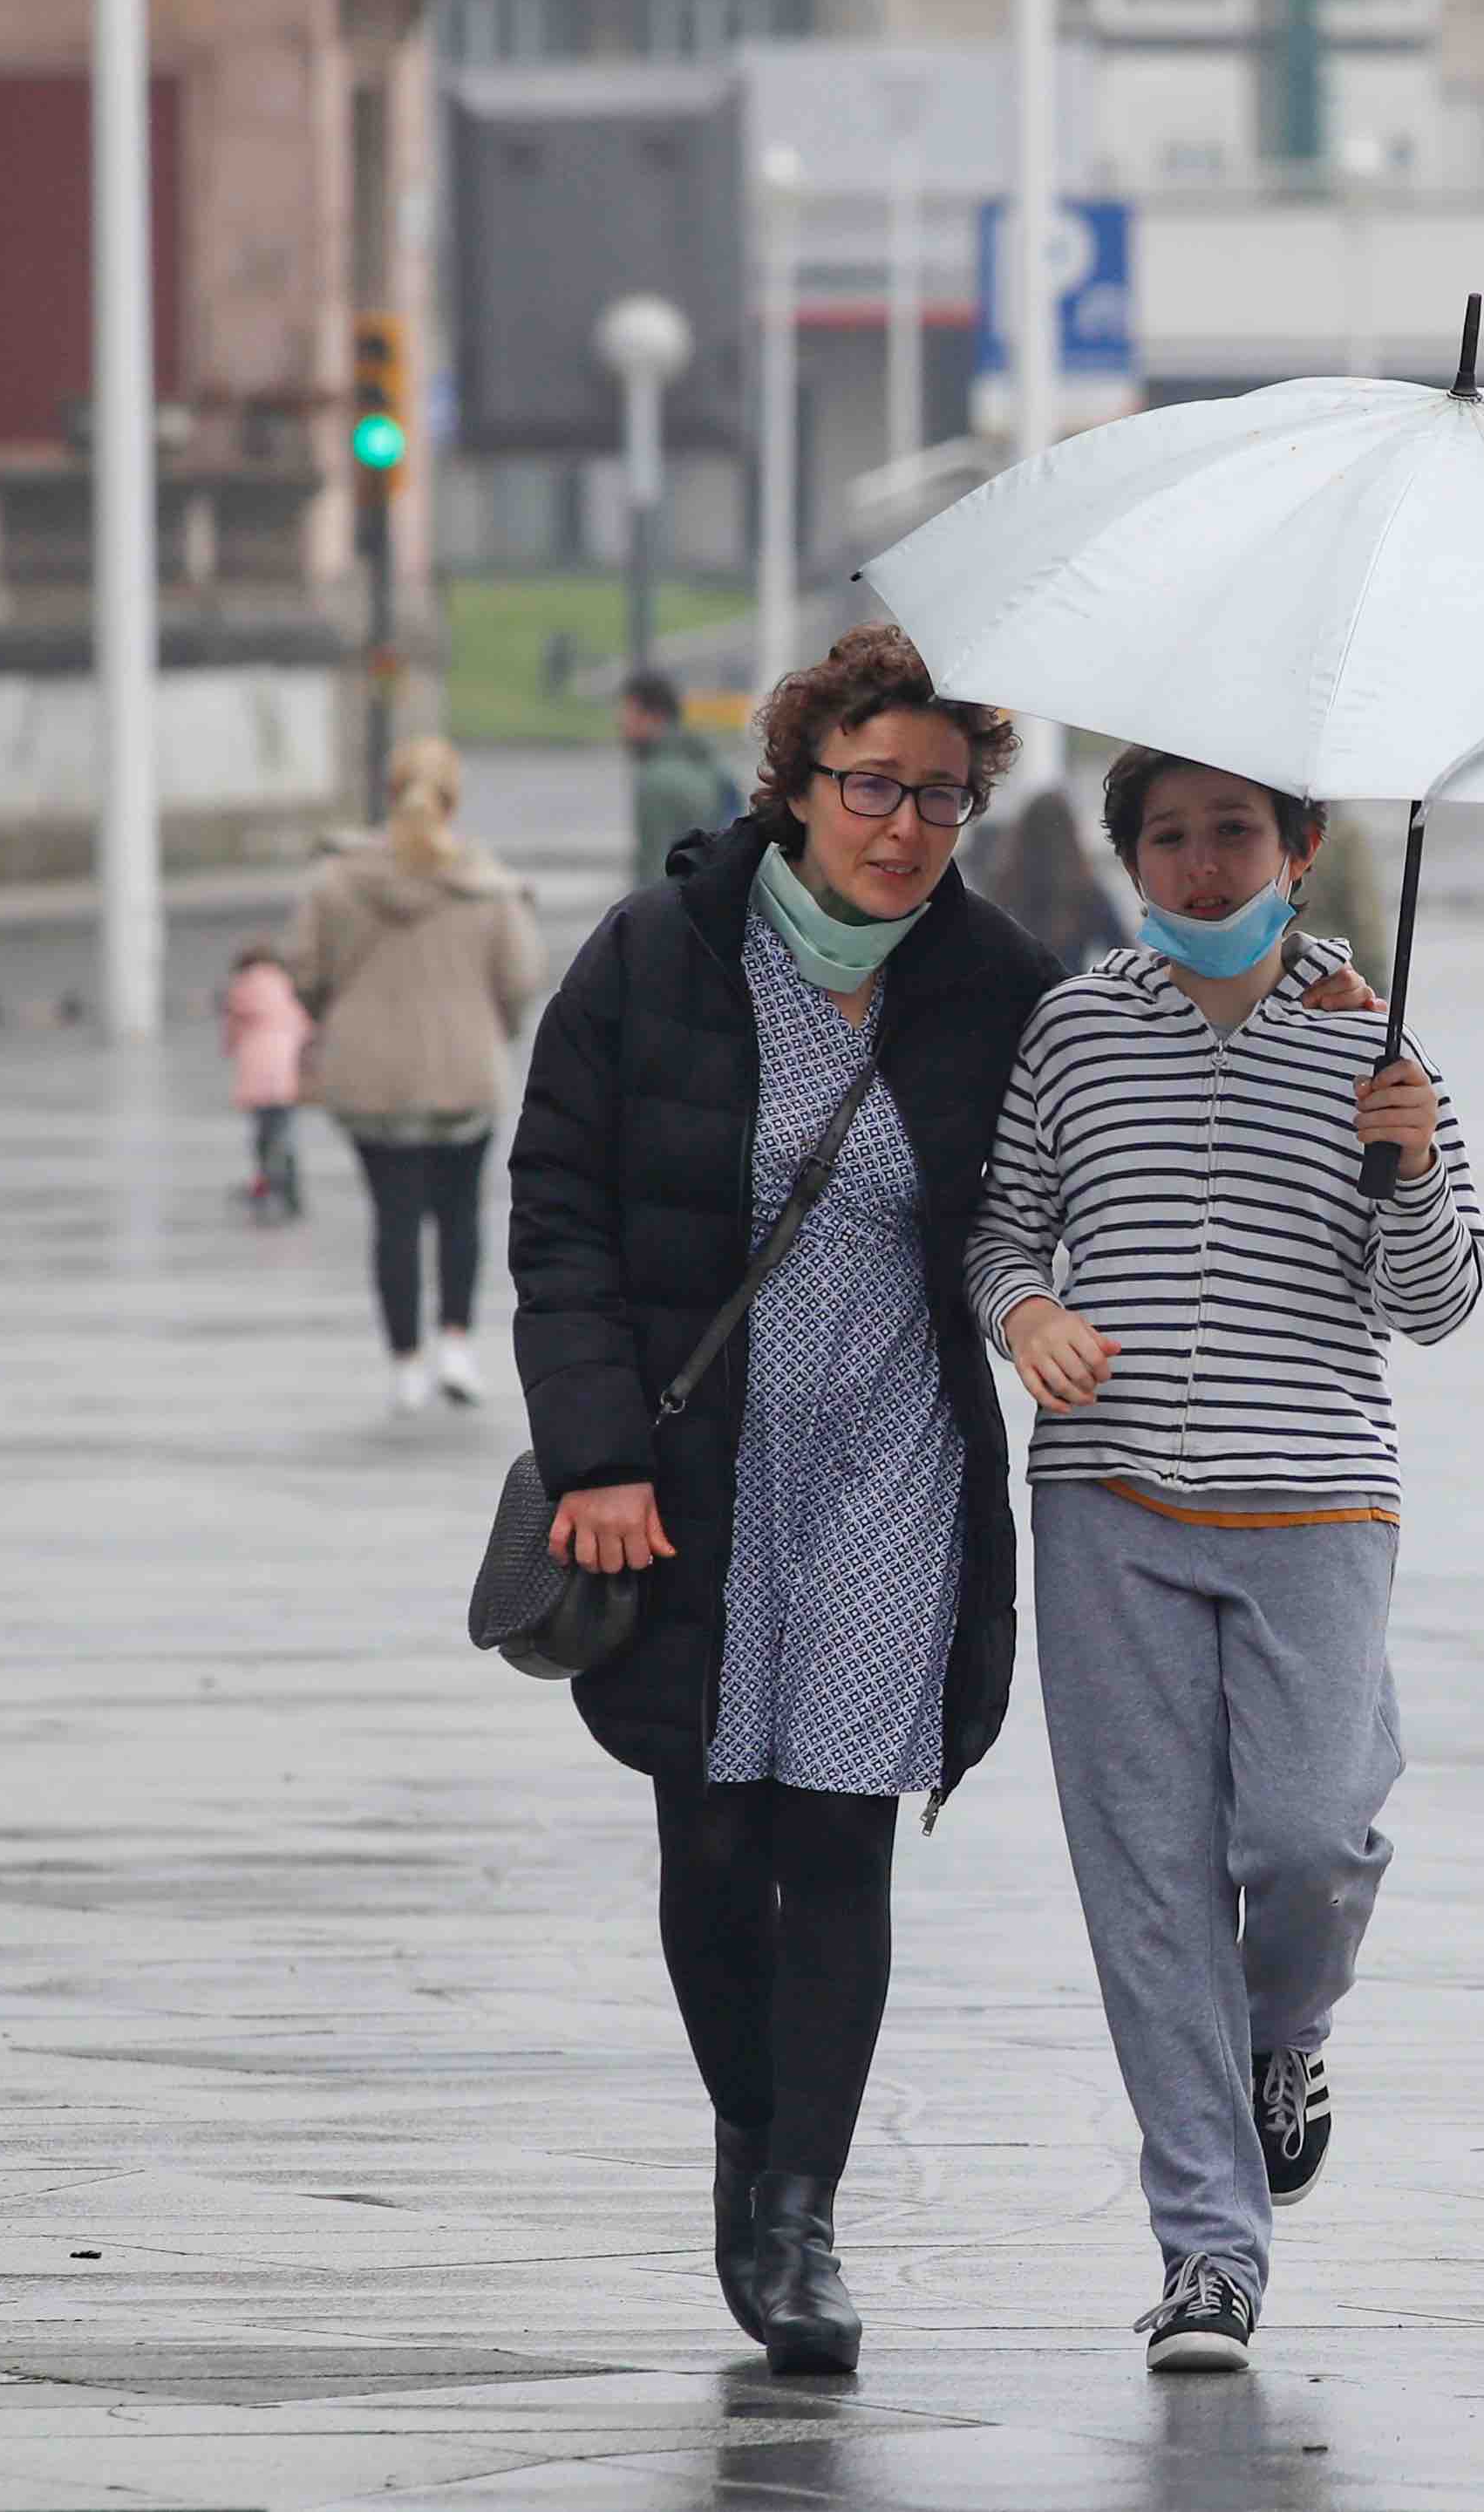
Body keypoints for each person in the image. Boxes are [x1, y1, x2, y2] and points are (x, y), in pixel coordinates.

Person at [507, 624, 1077, 2386]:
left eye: (942, 795)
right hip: (696, 1466)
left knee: (835, 1834)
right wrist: (596, 1451)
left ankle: (801, 2215)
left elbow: (1105, 1132)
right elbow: (559, 1212)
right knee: (710, 1838)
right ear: (800, 782)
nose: (904, 826)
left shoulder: (996, 979)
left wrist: (1348, 1060)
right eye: (873, 786)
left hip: (894, 1453)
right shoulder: (658, 957)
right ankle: (750, 2143)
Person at [964, 746, 1484, 2378]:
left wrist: (1398, 1158)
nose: (1202, 870)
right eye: (1170, 842)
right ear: (1129, 862)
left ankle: (1289, 2029)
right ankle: (1208, 2253)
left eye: (1233, 837)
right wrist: (1027, 1312)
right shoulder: (1073, 1027)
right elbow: (1000, 1228)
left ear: (1301, 848)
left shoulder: (1378, 1045)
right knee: (1147, 1894)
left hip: (1315, 1497)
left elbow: (1440, 1298)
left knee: (1309, 1832)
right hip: (1106, 1500)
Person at [282, 738, 543, 1414]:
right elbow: (520, 980)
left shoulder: (336, 882)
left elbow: (302, 970)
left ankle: (405, 1362)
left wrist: (333, 1016)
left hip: (368, 1077)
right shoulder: (487, 884)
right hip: (464, 1071)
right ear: (453, 800)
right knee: (460, 1212)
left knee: (393, 1218)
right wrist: (495, 1028)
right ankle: (457, 1344)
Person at [627, 671, 745, 888]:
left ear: (654, 716)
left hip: (676, 909)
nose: (623, 725)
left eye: (628, 714)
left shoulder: (655, 782)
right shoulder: (709, 764)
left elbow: (654, 872)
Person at [221, 942, 311, 1222]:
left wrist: (230, 1047)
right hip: (286, 1070)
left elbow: (232, 1032)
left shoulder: (241, 989)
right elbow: (305, 1025)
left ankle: (267, 1184)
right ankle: (290, 1188)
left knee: (263, 1134)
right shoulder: (287, 986)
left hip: (257, 1072)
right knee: (284, 1132)